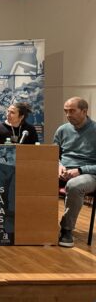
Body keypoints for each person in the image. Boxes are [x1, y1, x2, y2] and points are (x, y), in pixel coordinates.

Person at [55, 97, 96, 248]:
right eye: (66, 111)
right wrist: (58, 165)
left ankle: (66, 229)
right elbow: (54, 154)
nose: (68, 115)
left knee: (74, 185)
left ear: (84, 111)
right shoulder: (62, 130)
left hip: (88, 174)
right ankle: (39, 226)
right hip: (63, 170)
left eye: (72, 111)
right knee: (35, 179)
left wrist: (80, 170)